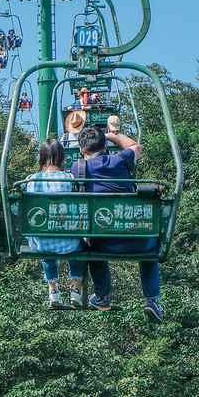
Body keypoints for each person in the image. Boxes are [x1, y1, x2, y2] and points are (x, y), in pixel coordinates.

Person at [72, 125, 164, 323]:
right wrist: (111, 136)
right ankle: (153, 300)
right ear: (104, 147)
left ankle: (102, 295)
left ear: (82, 150)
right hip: (139, 240)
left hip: (105, 243)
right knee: (151, 247)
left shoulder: (78, 168)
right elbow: (135, 147)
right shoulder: (120, 159)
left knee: (90, 245)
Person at [25, 140, 87, 309]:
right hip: (69, 243)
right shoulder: (69, 178)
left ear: (41, 157)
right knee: (79, 248)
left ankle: (53, 292)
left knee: (46, 250)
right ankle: (75, 289)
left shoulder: (31, 180)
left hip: (42, 243)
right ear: (61, 158)